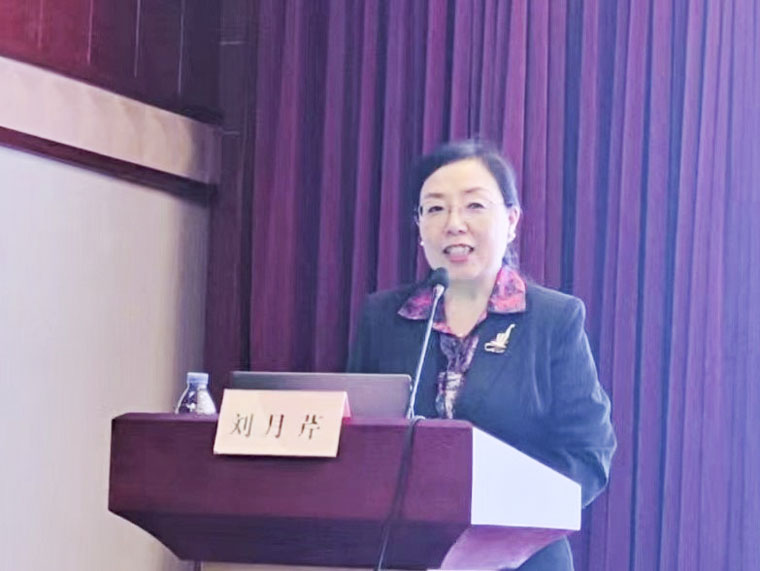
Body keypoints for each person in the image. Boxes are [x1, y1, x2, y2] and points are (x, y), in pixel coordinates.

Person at [347, 139, 616, 570]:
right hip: (404, 557)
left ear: (511, 221)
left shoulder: (553, 320)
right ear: (419, 226)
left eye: (474, 205)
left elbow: (589, 452)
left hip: (519, 559)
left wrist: (507, 529)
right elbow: (358, 440)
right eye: (435, 208)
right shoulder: (384, 317)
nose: (454, 224)